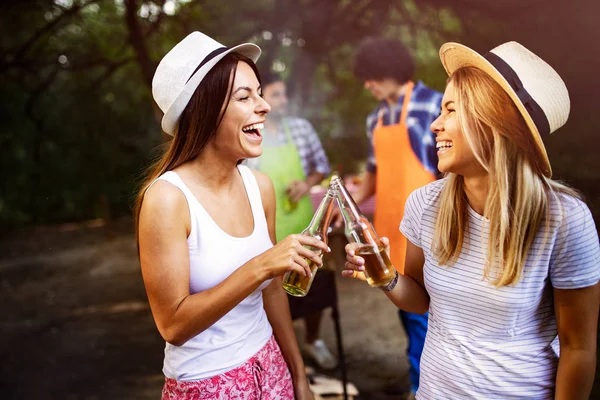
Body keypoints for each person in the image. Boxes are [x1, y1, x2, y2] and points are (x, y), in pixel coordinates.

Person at [343, 40, 600, 399]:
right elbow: (421, 300)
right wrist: (385, 276)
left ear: (496, 122)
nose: (435, 124)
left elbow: (578, 348)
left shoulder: (565, 221)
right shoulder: (425, 203)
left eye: (450, 110)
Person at [134, 31, 330, 400]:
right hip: (207, 383)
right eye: (245, 96)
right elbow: (173, 325)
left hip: (270, 366)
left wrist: (297, 374)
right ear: (204, 111)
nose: (264, 106)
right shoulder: (167, 199)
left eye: (258, 92)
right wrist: (261, 265)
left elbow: (272, 291)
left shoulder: (260, 186)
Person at [342, 37, 443, 396]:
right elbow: (373, 171)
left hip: (431, 229)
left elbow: (450, 173)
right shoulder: (377, 117)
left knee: (425, 315)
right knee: (406, 307)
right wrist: (345, 205)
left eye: (371, 77)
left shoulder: (434, 105)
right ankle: (423, 380)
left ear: (391, 70)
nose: (367, 85)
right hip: (391, 232)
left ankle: (423, 385)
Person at [246, 70, 337, 370]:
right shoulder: (249, 132)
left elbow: (320, 167)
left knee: (315, 286)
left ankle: (312, 341)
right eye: (275, 95)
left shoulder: (301, 128)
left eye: (284, 94)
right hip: (264, 230)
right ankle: (283, 354)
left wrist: (305, 182)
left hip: (302, 222)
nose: (282, 101)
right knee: (272, 291)